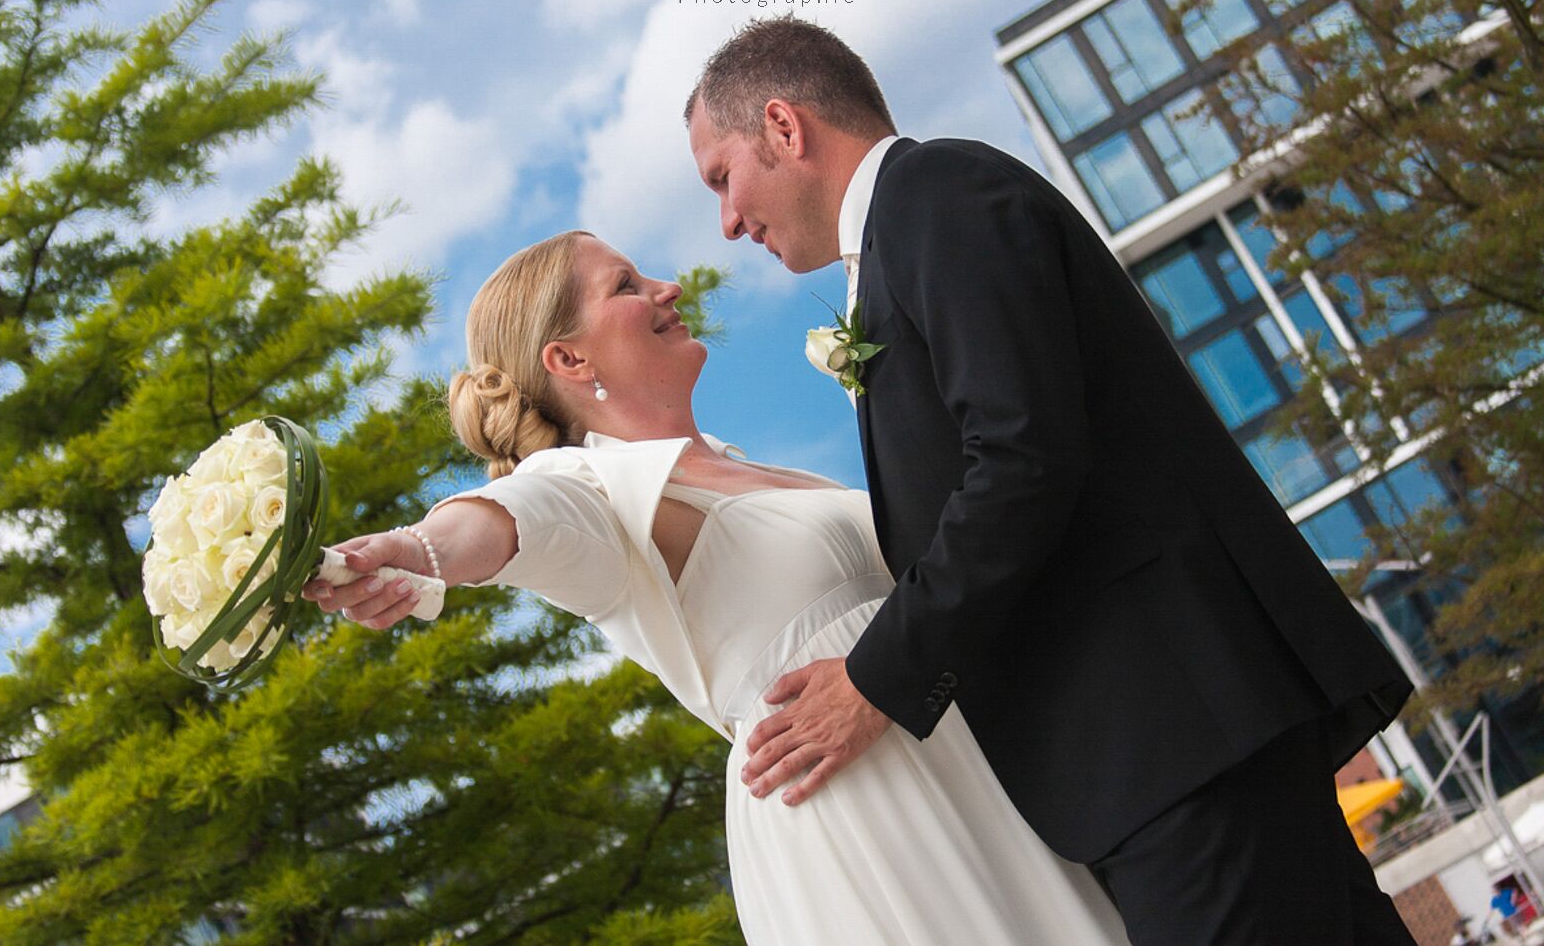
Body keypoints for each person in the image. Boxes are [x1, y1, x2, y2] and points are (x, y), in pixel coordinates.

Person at [685, 14, 1418, 944]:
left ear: (784, 127)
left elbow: (1022, 458)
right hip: (1161, 743)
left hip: (1166, 730)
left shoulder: (939, 195)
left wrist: (877, 678)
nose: (727, 220)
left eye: (722, 177)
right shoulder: (911, 227)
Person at [302, 230, 1131, 944]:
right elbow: (512, 519)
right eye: (626, 286)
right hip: (858, 806)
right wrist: (419, 549)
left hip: (969, 763)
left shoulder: (747, 466)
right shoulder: (590, 488)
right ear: (569, 359)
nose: (667, 288)